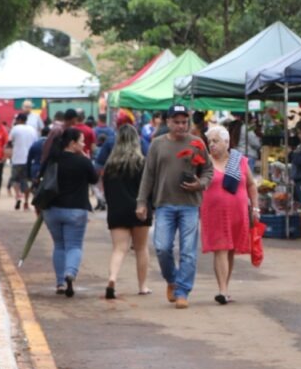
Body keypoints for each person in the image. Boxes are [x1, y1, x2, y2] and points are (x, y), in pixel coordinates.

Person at [136, 103, 215, 309]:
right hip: (164, 204)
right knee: (162, 247)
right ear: (168, 122)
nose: (181, 126)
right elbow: (148, 175)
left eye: (184, 122)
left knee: (188, 251)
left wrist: (201, 184)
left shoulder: (197, 142)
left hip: (189, 204)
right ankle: (171, 280)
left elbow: (208, 170)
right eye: (176, 122)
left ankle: (182, 291)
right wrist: (142, 201)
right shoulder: (157, 144)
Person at [201, 126, 259, 304]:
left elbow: (251, 184)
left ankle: (224, 288)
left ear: (226, 142)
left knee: (230, 250)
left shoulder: (239, 160)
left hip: (237, 214)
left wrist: (255, 207)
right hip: (214, 213)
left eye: (215, 141)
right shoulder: (205, 163)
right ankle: (223, 290)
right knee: (221, 248)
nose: (212, 145)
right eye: (209, 141)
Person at [42, 128, 96, 297]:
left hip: (52, 210)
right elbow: (94, 179)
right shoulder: (83, 162)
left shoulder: (53, 159)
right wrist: (87, 160)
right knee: (74, 245)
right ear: (72, 144)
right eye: (81, 141)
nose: (84, 144)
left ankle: (59, 283)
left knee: (59, 245)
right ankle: (70, 273)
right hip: (76, 210)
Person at [102, 124, 153, 299]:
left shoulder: (110, 165)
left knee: (119, 249)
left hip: (117, 210)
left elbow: (106, 191)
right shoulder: (142, 163)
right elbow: (149, 188)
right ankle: (143, 285)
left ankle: (112, 278)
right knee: (140, 248)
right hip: (140, 209)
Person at [7, 113, 38, 210]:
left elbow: (9, 143)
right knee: (26, 181)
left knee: (15, 180)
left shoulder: (15, 129)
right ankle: (26, 202)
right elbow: (35, 144)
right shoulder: (32, 130)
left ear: (19, 120)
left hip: (17, 159)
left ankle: (18, 196)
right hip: (29, 160)